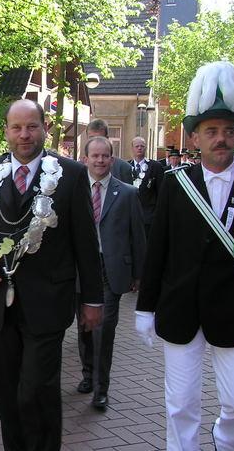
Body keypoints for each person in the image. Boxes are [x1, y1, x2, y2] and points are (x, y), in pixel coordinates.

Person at [0, 99, 103, 451]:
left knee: (36, 390)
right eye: (16, 127)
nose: (24, 134)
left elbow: (86, 242)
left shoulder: (71, 174)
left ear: (45, 128)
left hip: (48, 303)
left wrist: (92, 300)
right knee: (6, 392)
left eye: (32, 126)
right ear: (6, 131)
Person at [135, 61, 234, 450]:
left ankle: (225, 439)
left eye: (228, 131)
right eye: (211, 131)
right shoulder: (176, 185)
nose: (221, 139)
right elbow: (158, 249)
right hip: (181, 308)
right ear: (195, 137)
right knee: (180, 405)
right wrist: (145, 307)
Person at [76, 136, 146, 410]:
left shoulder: (127, 193)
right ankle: (87, 375)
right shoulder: (74, 190)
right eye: (95, 156)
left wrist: (138, 274)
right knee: (84, 326)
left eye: (105, 156)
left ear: (112, 159)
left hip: (111, 270)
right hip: (81, 269)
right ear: (85, 159)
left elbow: (138, 235)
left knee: (104, 331)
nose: (100, 160)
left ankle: (101, 389)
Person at [128, 136, 164, 236]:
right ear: (132, 148)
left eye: (142, 146)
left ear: (146, 148)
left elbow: (161, 192)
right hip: (129, 216)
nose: (139, 148)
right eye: (137, 146)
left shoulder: (155, 166)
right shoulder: (126, 167)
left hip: (149, 217)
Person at [85, 119, 134, 184]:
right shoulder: (77, 169)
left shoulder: (123, 168)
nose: (95, 142)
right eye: (91, 138)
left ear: (107, 138)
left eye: (100, 138)